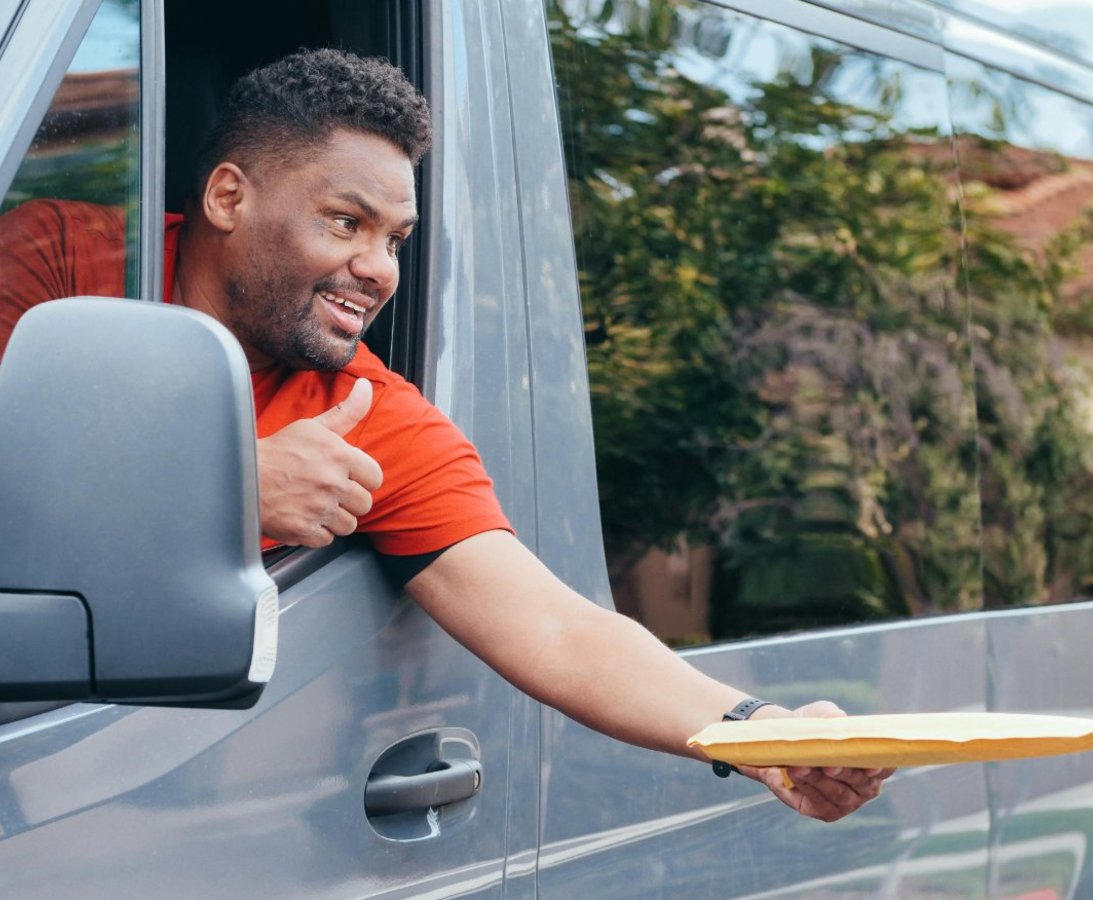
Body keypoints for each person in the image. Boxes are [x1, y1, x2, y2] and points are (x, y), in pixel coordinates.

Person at [0, 49, 891, 823]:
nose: (378, 269)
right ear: (229, 196)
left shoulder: (371, 413)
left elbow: (556, 627)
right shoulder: (59, 264)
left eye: (395, 237)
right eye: (345, 223)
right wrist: (225, 491)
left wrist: (756, 731)